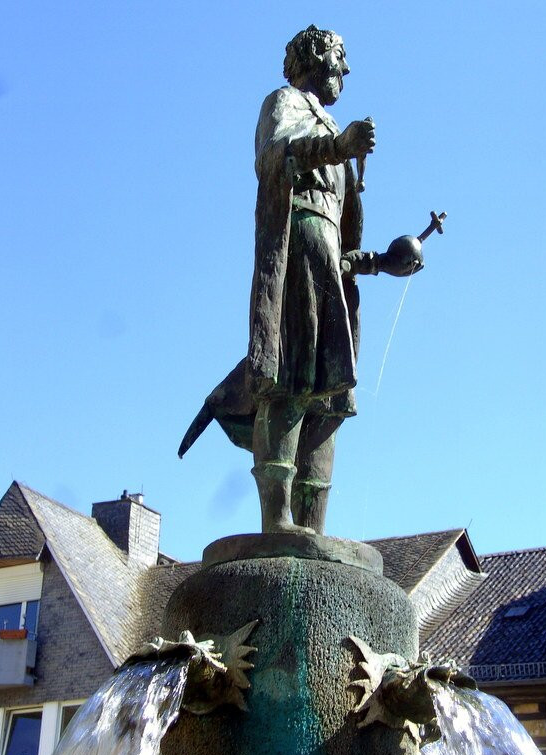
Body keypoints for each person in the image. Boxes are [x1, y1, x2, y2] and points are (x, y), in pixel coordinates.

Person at [178, 25, 423, 535]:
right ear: (313, 57)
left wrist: (382, 261)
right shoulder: (283, 102)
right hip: (295, 247)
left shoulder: (332, 132)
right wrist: (338, 145)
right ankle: (277, 519)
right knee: (292, 376)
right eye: (340, 57)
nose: (346, 70)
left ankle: (313, 525)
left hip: (327, 260)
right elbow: (274, 154)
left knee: (331, 393)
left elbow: (345, 247)